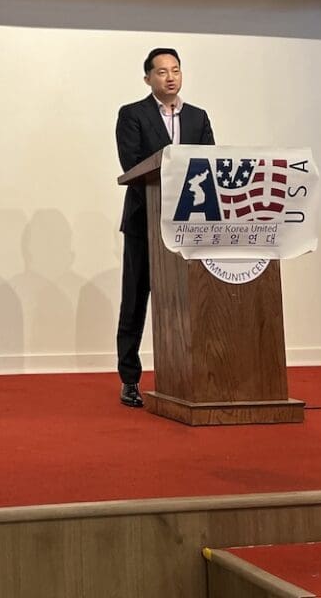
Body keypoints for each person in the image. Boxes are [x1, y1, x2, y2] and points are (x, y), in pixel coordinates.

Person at [114, 47, 215, 407]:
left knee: (188, 301)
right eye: (161, 72)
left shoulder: (198, 117)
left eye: (175, 70)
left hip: (190, 225)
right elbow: (132, 165)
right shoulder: (132, 115)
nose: (170, 77)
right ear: (148, 78)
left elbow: (210, 163)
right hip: (145, 220)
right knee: (136, 299)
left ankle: (190, 374)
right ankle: (129, 379)